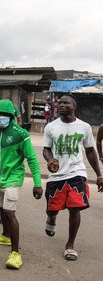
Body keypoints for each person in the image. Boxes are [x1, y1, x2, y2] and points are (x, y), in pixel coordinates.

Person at [0, 100, 43, 270]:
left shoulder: (21, 134)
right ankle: (5, 235)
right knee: (1, 208)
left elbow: (32, 159)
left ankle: (15, 253)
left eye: (5, 116)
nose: (1, 119)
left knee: (9, 212)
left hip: (14, 178)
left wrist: (37, 183)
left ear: (11, 117)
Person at [42, 95, 103, 261]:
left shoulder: (84, 127)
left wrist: (99, 175)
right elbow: (46, 149)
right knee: (52, 208)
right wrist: (50, 159)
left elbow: (90, 151)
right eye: (59, 102)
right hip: (57, 175)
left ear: (74, 106)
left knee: (75, 207)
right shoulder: (51, 127)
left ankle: (70, 245)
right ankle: (51, 217)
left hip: (77, 172)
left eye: (66, 102)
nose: (61, 105)